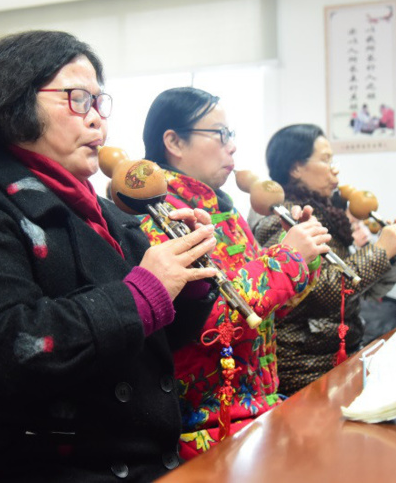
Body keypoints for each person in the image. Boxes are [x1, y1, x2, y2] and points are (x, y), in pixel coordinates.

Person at [0, 31, 221, 483]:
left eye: (99, 103)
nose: (99, 124)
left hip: (139, 464)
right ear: (13, 105)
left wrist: (188, 283)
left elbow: (157, 346)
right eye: (78, 100)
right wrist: (142, 295)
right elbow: (11, 350)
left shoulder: (106, 215)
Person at [138, 87, 331, 458]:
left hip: (256, 409)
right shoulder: (159, 217)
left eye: (232, 135)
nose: (232, 148)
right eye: (220, 135)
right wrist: (286, 258)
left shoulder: (224, 209)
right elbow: (208, 325)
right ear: (174, 142)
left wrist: (307, 257)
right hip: (206, 427)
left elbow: (267, 315)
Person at [252, 124, 396, 395]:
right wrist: (380, 250)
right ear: (295, 168)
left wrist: (391, 252)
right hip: (304, 369)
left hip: (339, 355)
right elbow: (321, 292)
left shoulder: (328, 214)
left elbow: (366, 290)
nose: (335, 168)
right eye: (326, 160)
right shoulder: (280, 220)